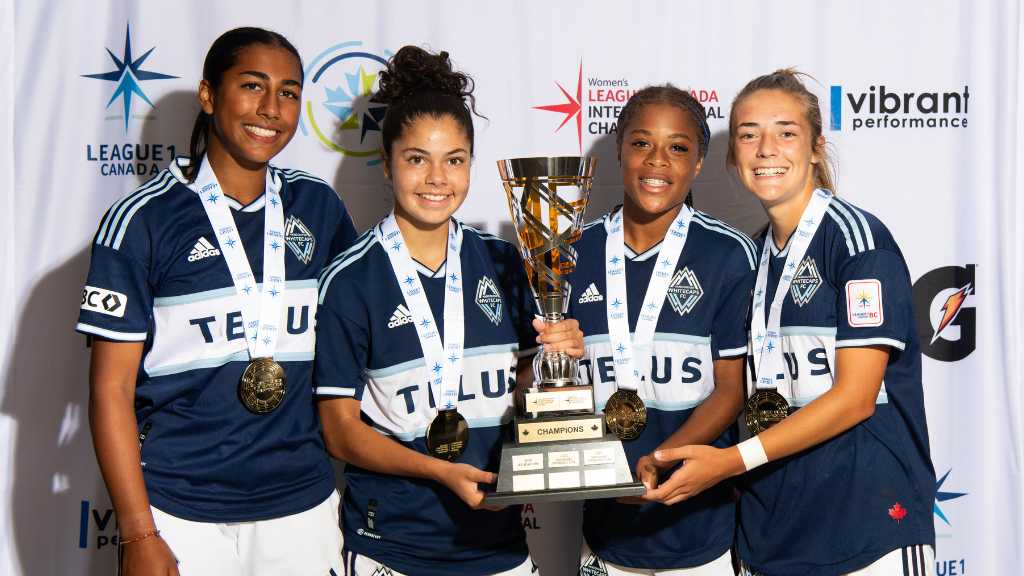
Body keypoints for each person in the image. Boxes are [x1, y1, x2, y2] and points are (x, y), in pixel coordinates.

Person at [77, 27, 356, 575]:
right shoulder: (142, 221)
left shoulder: (318, 208)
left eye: (289, 92)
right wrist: (137, 534)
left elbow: (369, 336)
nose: (271, 109)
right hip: (179, 511)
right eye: (252, 86)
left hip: (300, 507)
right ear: (208, 95)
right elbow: (110, 390)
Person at [314, 45, 583, 576]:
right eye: (418, 158)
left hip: (499, 543)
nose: (437, 177)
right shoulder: (350, 279)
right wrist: (439, 472)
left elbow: (524, 387)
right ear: (387, 164)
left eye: (454, 160)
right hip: (394, 545)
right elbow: (339, 431)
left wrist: (559, 361)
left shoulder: (508, 261)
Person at [653, 70, 936, 575]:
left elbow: (855, 399)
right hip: (773, 532)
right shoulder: (751, 256)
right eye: (748, 134)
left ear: (815, 147)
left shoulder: (856, 241)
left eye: (785, 132)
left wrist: (729, 462)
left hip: (867, 529)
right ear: (732, 154)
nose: (766, 149)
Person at [566, 85, 756, 575]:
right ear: (619, 151)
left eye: (677, 148)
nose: (657, 161)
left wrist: (659, 458)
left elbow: (731, 390)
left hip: (700, 528)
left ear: (697, 164)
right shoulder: (570, 252)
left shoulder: (727, 254)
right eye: (641, 143)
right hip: (603, 530)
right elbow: (542, 390)